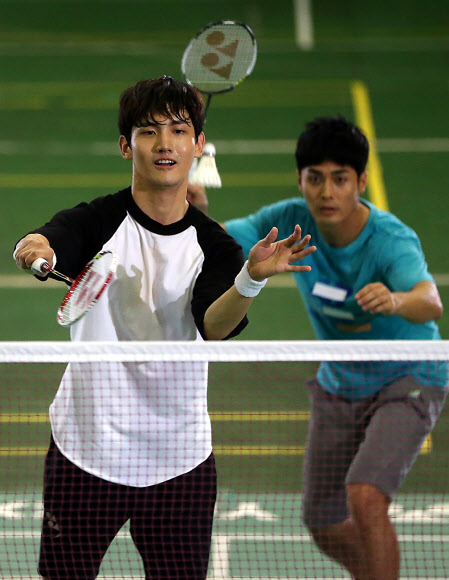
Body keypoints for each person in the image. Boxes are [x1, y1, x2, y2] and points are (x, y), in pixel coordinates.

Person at [12, 76, 316, 580]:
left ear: (198, 144)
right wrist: (34, 247)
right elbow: (47, 238)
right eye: (149, 131)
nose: (164, 144)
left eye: (178, 130)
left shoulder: (215, 246)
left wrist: (251, 279)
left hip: (178, 459)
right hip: (86, 451)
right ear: (125, 145)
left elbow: (215, 326)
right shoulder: (98, 221)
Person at [188, 115, 448, 580]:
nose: (327, 192)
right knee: (322, 521)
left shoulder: (389, 240)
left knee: (365, 496)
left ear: (361, 182)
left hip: (409, 376)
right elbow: (216, 244)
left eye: (340, 179)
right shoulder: (288, 221)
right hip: (341, 383)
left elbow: (430, 302)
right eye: (316, 178)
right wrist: (197, 213)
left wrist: (395, 300)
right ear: (300, 180)